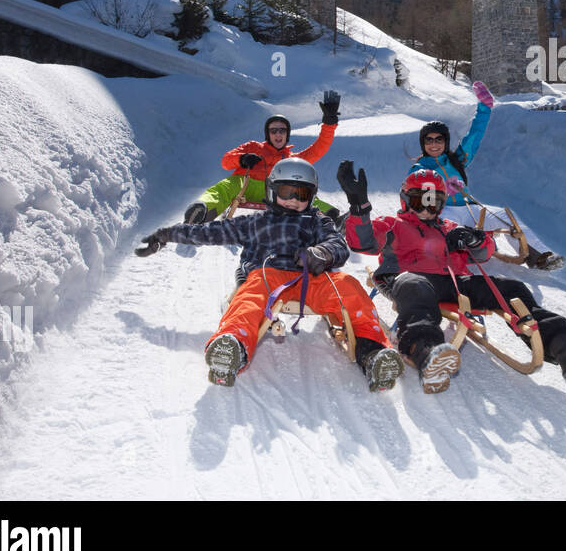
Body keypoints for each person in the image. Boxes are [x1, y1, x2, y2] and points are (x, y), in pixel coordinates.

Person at [338, 160, 566, 393]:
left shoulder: (448, 226)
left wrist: (474, 240)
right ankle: (425, 350)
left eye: (434, 201)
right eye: (420, 200)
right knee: (417, 287)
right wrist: (359, 208)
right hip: (407, 277)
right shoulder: (393, 224)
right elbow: (361, 241)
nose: (427, 208)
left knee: (512, 289)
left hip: (455, 283)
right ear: (405, 201)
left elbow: (485, 253)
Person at [135, 157, 402, 391]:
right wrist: (166, 234)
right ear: (272, 191)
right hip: (269, 277)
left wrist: (322, 254)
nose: (294, 200)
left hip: (311, 279)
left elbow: (338, 244)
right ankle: (232, 347)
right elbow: (208, 233)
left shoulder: (317, 221)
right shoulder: (255, 223)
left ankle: (374, 352)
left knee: (348, 286)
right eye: (287, 192)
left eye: (302, 194)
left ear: (311, 196)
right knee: (251, 294)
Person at [414, 82, 564, 271]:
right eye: (429, 140)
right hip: (445, 212)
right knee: (448, 229)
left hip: (470, 208)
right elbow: (413, 194)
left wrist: (484, 108)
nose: (434, 144)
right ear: (423, 143)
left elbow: (474, 136)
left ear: (445, 142)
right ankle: (455, 258)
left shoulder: (456, 160)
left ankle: (540, 256)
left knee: (506, 216)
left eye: (439, 139)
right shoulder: (419, 168)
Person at [184, 91, 341, 225]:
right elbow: (226, 161)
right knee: (226, 186)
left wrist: (329, 124)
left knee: (301, 191)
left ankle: (332, 218)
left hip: (276, 192)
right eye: (274, 131)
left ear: (287, 135)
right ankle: (202, 211)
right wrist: (242, 159)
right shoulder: (253, 147)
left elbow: (317, 150)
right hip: (245, 186)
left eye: (282, 130)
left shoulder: (290, 158)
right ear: (268, 134)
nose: (278, 134)